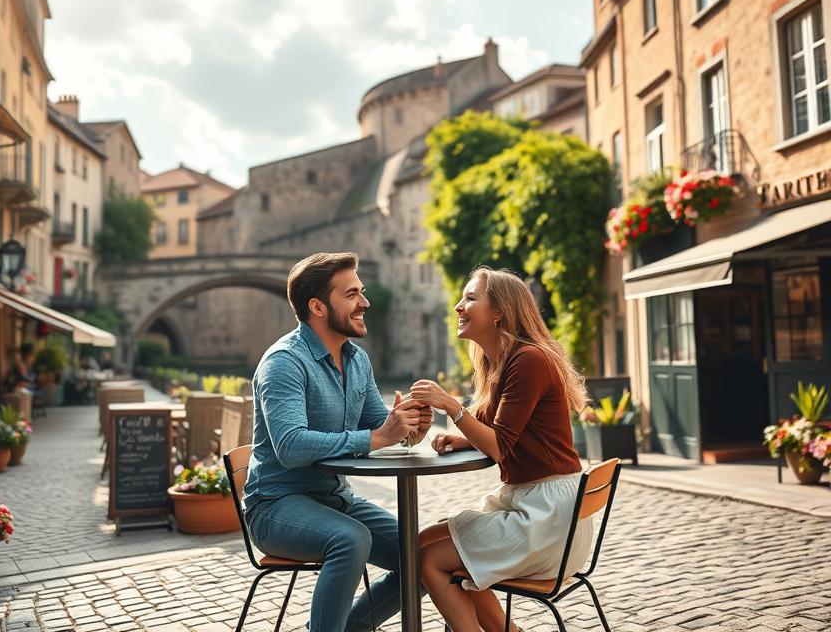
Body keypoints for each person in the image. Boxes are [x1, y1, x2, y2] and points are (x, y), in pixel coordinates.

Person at [243, 252, 433, 632]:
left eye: (361, 292)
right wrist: (379, 437)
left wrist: (411, 427)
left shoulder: (357, 359)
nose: (365, 302)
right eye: (352, 294)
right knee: (351, 540)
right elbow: (291, 445)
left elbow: (377, 424)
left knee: (427, 556)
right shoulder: (284, 362)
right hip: (275, 505)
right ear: (317, 306)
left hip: (336, 500)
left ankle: (354, 628)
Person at [409, 267, 590, 632]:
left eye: (471, 298)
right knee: (425, 544)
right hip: (542, 507)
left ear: (499, 312)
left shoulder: (529, 361)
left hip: (546, 519)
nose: (459, 306)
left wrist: (452, 407)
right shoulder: (507, 362)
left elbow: (502, 446)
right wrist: (464, 436)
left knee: (427, 558)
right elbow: (506, 435)